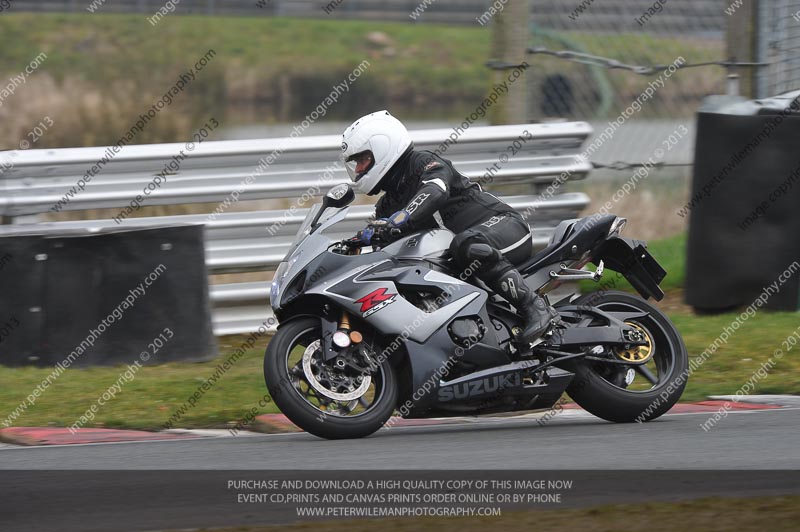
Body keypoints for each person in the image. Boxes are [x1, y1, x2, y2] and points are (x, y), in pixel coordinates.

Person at [341, 110, 558, 343]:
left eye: (362, 161)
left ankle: (535, 307)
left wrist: (400, 219)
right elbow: (383, 247)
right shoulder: (387, 204)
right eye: (356, 164)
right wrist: (357, 242)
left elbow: (435, 190)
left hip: (505, 226)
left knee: (466, 244)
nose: (358, 170)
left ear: (382, 148)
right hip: (464, 253)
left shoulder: (423, 163)